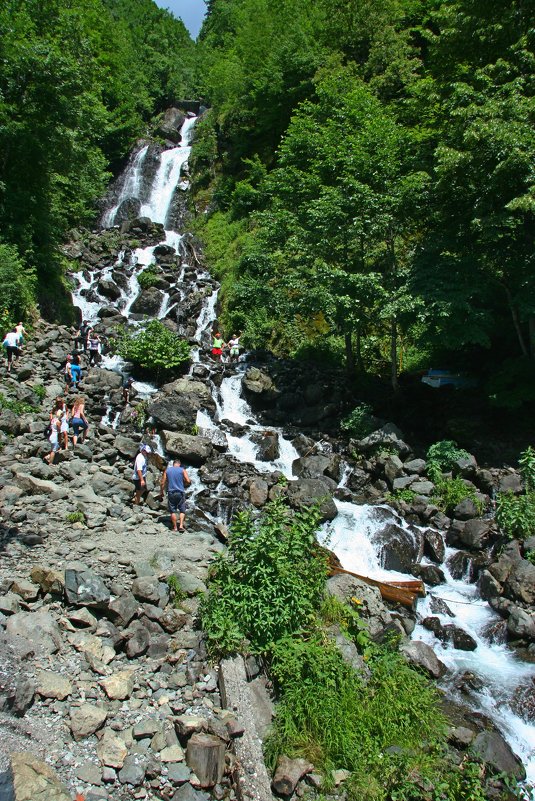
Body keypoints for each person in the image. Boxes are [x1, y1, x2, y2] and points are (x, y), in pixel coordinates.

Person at [159, 458, 191, 532]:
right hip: (180, 492)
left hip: (171, 492)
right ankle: (181, 526)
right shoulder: (182, 470)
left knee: (172, 510)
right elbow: (188, 480)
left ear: (173, 464)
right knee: (182, 510)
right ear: (179, 464)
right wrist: (184, 482)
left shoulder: (167, 470)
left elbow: (162, 482)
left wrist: (161, 492)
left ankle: (175, 527)